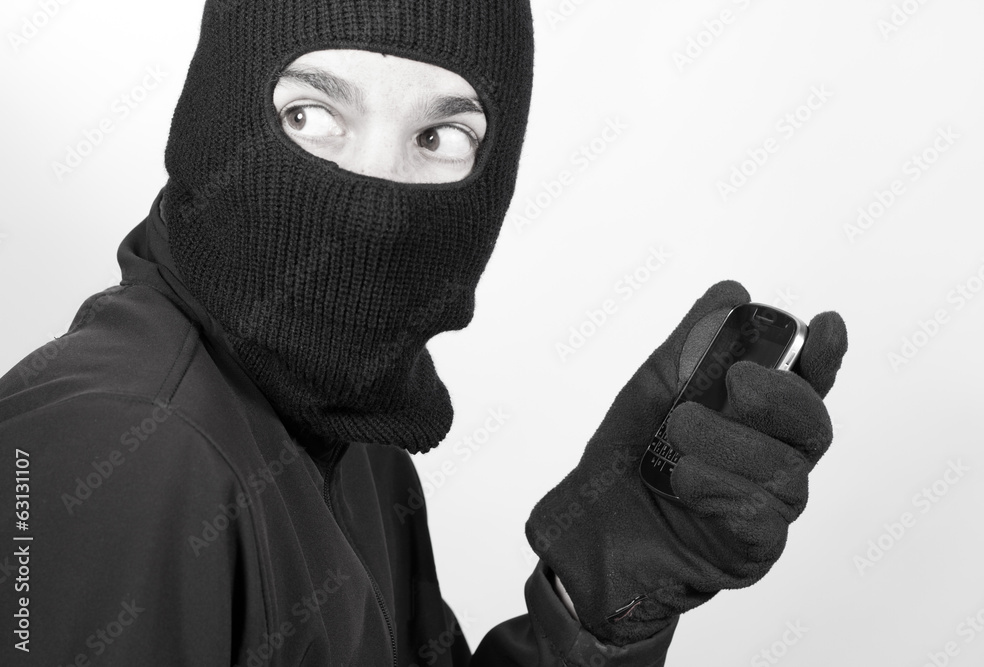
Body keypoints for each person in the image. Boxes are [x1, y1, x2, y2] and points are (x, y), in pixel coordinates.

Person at [0, 1, 847, 665]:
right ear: (209, 118)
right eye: (310, 114)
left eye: (438, 137)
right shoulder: (128, 448)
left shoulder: (352, 437)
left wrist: (609, 583)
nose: (375, 200)